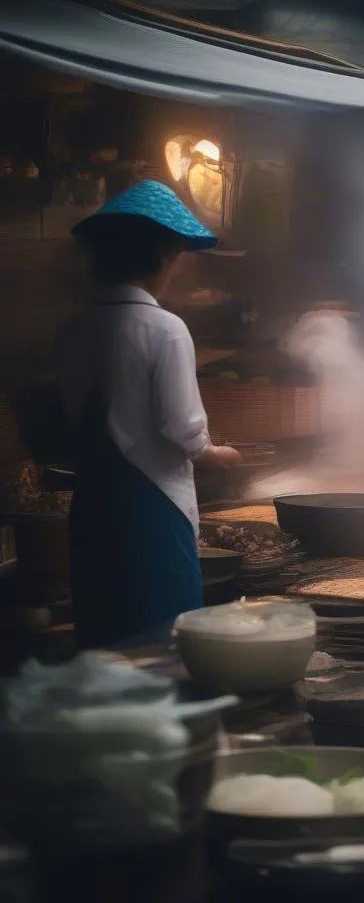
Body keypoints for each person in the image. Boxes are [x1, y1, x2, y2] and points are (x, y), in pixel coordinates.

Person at [56, 181, 242, 649]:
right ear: (164, 258)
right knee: (162, 641)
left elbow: (72, 417)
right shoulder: (166, 329)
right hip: (152, 510)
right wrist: (215, 453)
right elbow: (183, 429)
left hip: (93, 504)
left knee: (103, 640)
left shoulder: (75, 328)